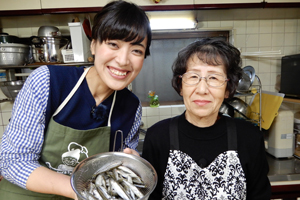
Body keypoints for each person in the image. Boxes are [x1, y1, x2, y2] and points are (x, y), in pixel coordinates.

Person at [0, 1, 151, 199]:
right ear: (94, 45)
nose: (123, 60)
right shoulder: (48, 82)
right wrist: (76, 190)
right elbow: (12, 161)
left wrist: (130, 165)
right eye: (113, 44)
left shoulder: (131, 107)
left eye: (136, 50)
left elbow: (111, 173)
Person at [142, 38, 271, 199]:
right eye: (193, 77)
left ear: (227, 89)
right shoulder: (158, 137)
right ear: (181, 86)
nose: (202, 89)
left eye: (214, 78)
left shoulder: (249, 138)